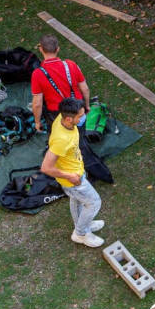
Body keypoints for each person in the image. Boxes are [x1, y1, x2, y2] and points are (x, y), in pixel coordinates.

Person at [39, 98, 104, 248]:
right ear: (69, 118)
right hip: (73, 179)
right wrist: (70, 176)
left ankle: (83, 223)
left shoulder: (61, 120)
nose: (83, 118)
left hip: (76, 171)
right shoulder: (61, 140)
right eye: (80, 116)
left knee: (77, 200)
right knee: (94, 203)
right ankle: (81, 233)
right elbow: (46, 167)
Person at [31, 34, 91, 133]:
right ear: (57, 49)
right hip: (78, 108)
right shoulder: (71, 64)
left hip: (57, 114)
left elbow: (37, 103)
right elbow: (85, 89)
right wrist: (87, 106)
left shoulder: (38, 74)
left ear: (41, 49)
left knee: (60, 138)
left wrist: (37, 122)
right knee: (79, 134)